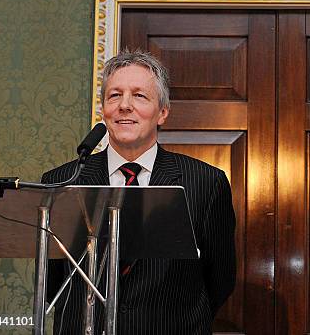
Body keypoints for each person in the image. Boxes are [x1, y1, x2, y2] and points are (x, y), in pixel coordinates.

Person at [42, 50, 236, 334]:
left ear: (163, 113)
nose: (124, 106)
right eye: (114, 95)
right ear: (104, 110)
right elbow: (52, 280)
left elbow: (220, 277)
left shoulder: (206, 182)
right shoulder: (62, 181)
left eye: (139, 96)